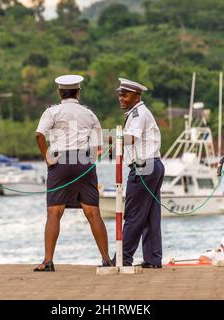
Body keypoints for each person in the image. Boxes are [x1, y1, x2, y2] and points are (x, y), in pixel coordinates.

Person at [34, 74, 112, 271]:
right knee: (93, 212)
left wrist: (46, 156)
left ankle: (48, 261)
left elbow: (39, 134)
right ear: (78, 92)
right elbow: (97, 145)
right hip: (83, 162)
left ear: (60, 92)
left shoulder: (52, 112)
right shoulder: (89, 114)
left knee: (54, 212)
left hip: (59, 162)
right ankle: (106, 259)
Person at [115, 78, 165, 268]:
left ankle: (123, 258)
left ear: (136, 97)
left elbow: (130, 139)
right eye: (120, 94)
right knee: (150, 216)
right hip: (153, 165)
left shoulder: (137, 114)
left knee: (134, 215)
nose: (121, 98)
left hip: (144, 167)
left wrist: (104, 139)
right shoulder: (139, 112)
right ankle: (153, 259)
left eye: (125, 95)